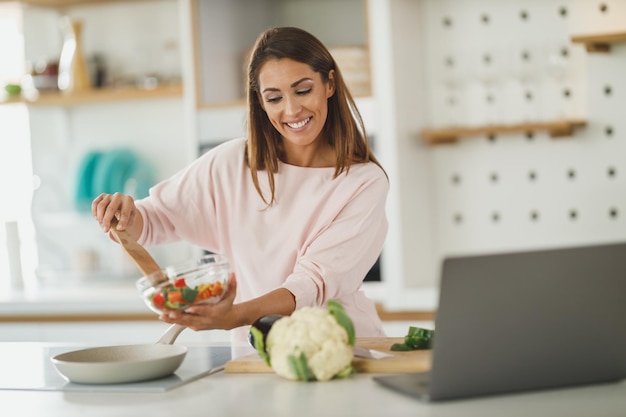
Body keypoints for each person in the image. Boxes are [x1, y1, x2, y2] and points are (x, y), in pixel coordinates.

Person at [92, 26, 389, 349]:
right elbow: (154, 220)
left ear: (329, 84)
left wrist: (235, 315)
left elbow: (312, 284)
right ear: (260, 102)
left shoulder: (363, 182)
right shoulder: (232, 163)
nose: (291, 110)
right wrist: (124, 214)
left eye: (303, 90)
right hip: (255, 357)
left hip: (341, 351)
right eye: (274, 97)